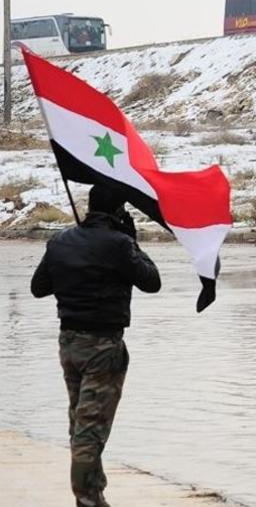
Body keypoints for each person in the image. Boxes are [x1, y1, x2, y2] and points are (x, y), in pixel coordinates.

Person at [30, 184, 161, 507]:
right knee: (90, 429)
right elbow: (151, 281)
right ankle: (88, 499)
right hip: (103, 346)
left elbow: (38, 287)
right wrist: (130, 242)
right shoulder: (117, 244)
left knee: (79, 422)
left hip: (69, 343)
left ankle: (93, 493)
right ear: (118, 212)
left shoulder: (60, 241)